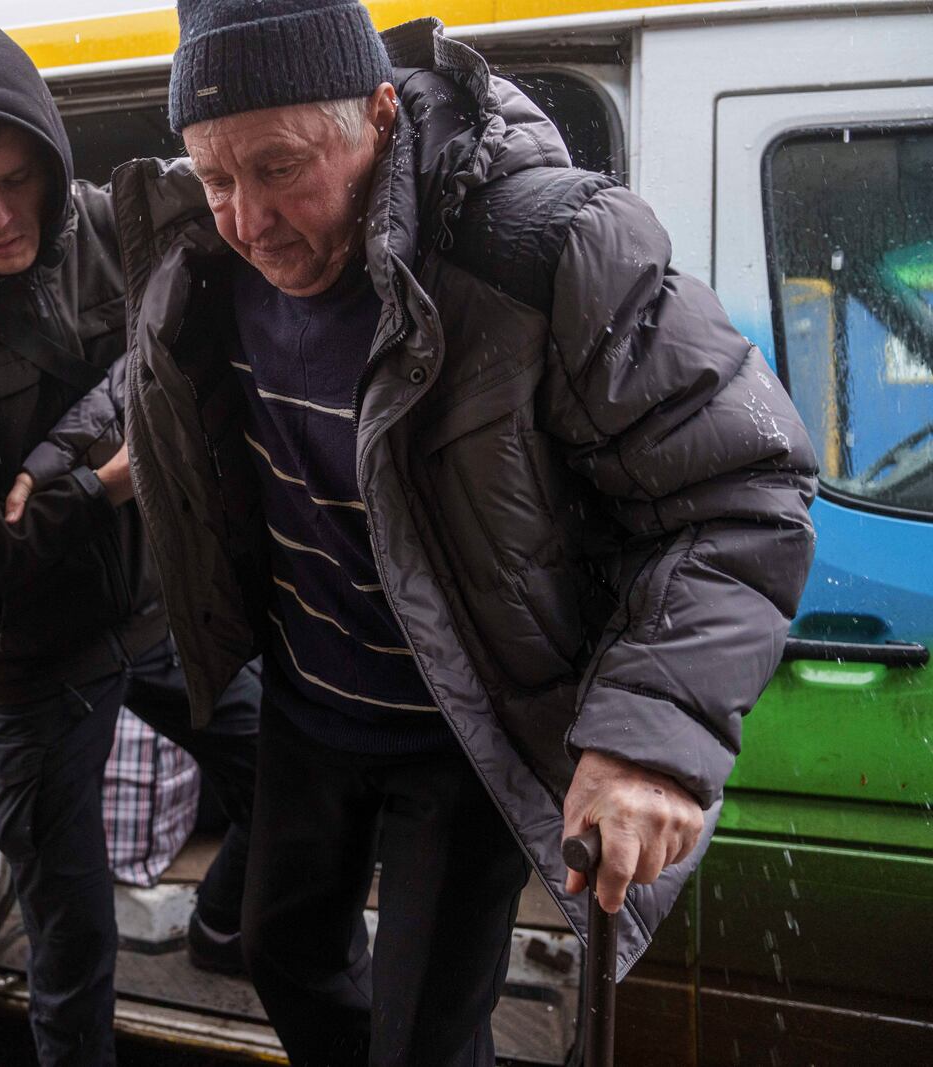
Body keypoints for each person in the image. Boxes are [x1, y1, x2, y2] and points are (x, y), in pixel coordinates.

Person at [97, 3, 818, 1064]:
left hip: (461, 724)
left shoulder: (546, 248)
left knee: (426, 1036)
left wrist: (644, 739)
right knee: (279, 951)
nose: (247, 220)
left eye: (280, 167)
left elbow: (741, 488)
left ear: (380, 114)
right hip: (306, 706)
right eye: (214, 176)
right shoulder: (201, 263)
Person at [0, 7, 260, 1066]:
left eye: (14, 179)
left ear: (51, 159)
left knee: (298, 769)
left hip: (161, 608)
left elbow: (204, 336)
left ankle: (222, 922)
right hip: (32, 662)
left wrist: (50, 479)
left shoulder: (120, 225)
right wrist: (112, 480)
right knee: (69, 950)